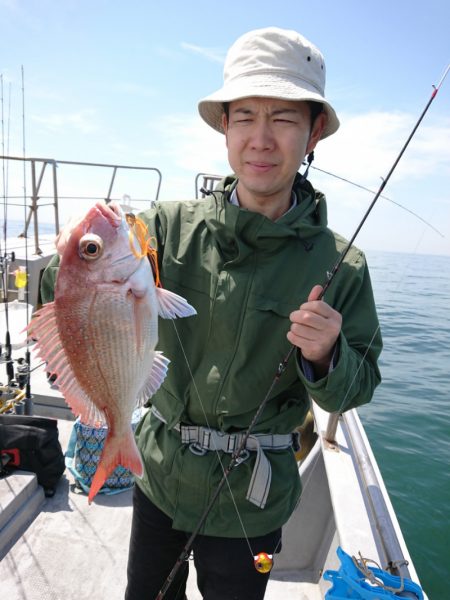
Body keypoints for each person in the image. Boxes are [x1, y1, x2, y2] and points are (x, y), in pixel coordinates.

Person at [41, 27, 382, 600]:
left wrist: (327, 357)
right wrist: (70, 266)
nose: (261, 139)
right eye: (244, 116)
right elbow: (69, 298)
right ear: (224, 128)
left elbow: (354, 391)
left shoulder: (342, 266)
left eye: (284, 118)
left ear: (314, 131)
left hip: (252, 501)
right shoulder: (166, 228)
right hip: (161, 476)